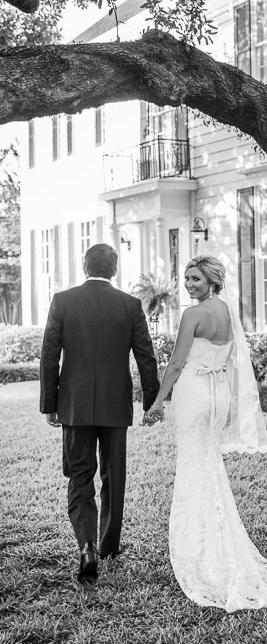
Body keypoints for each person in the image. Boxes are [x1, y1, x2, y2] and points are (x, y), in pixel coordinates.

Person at [144, 254, 267, 611]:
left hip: (194, 394)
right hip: (217, 394)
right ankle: (216, 541)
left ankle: (202, 553)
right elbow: (229, 358)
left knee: (193, 465)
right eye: (186, 278)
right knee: (208, 465)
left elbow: (177, 363)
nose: (189, 284)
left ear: (212, 281)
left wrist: (157, 402)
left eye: (196, 279)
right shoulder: (226, 312)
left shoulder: (193, 314)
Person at [40, 243, 160, 585]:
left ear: (83, 265)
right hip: (115, 404)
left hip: (74, 406)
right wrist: (150, 401)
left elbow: (49, 354)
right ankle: (108, 545)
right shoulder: (130, 304)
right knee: (113, 475)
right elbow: (145, 357)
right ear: (115, 269)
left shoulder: (63, 301)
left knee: (79, 475)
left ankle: (87, 546)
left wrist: (51, 403)